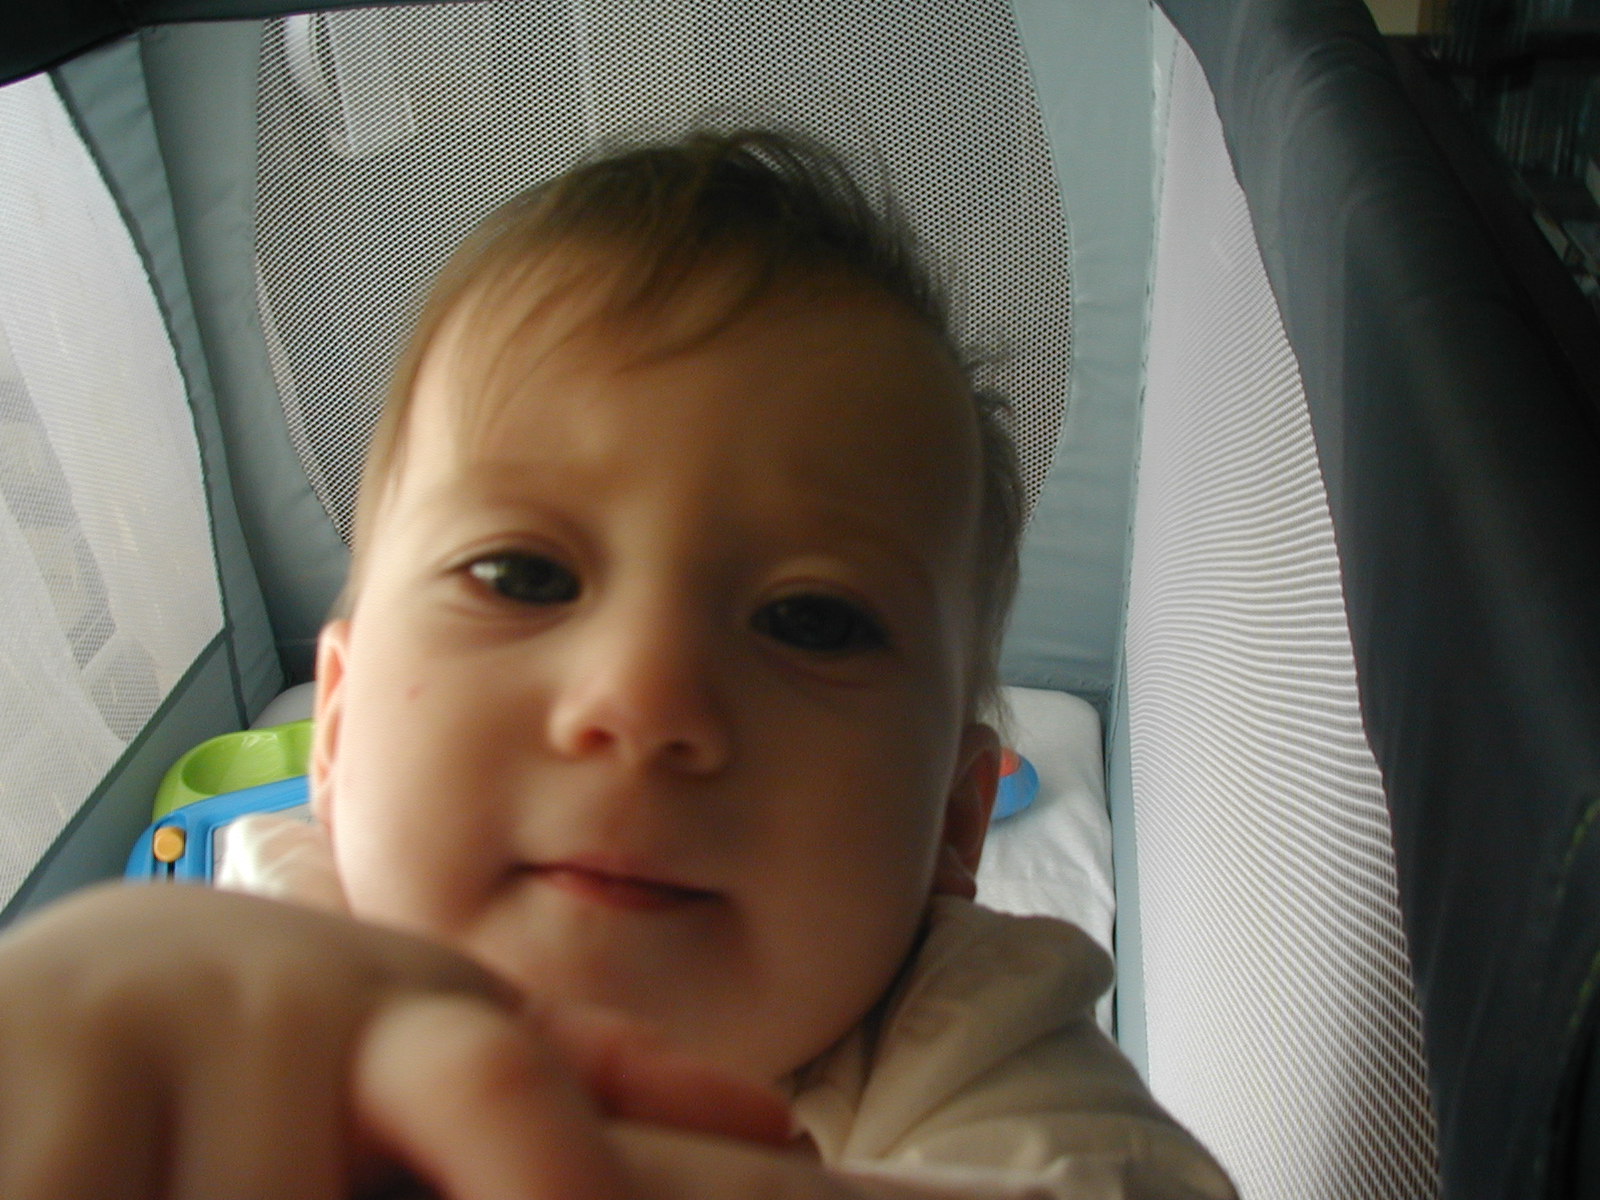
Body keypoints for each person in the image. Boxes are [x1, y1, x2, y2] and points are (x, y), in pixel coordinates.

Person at [0, 130, 1234, 1200]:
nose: (644, 700)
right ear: (334, 732)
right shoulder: (251, 971)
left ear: (953, 832)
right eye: (521, 575)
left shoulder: (968, 1039)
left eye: (810, 621)